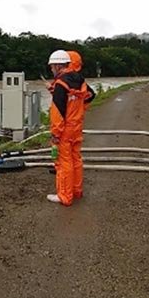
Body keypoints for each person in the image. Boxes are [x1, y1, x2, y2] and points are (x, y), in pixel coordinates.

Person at [46, 50, 94, 206]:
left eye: (52, 67)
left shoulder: (61, 84)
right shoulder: (79, 80)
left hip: (65, 129)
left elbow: (58, 112)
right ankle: (76, 191)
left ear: (58, 65)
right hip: (77, 127)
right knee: (76, 159)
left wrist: (55, 134)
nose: (52, 70)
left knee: (63, 162)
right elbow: (86, 97)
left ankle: (65, 196)